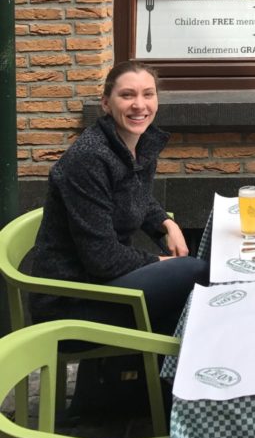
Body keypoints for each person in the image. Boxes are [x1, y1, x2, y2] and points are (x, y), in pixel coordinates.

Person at [30, 60, 209, 337]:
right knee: (197, 273)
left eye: (148, 94)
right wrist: (161, 262)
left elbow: (134, 195)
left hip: (105, 282)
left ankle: (149, 363)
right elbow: (102, 258)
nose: (139, 105)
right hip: (71, 301)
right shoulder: (89, 159)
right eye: (127, 95)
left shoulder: (138, 143)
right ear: (106, 103)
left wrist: (167, 224)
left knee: (187, 310)